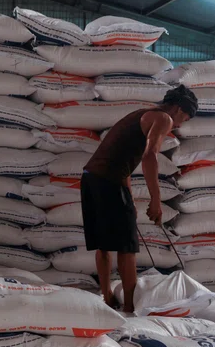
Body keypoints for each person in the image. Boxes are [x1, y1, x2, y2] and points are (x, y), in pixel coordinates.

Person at [81, 84, 198, 313]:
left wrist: (130, 196)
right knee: (127, 246)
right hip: (109, 181)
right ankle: (130, 306)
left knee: (103, 245)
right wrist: (156, 199)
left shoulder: (140, 115)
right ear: (176, 108)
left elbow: (121, 157)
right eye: (185, 115)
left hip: (91, 178)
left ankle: (106, 297)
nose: (182, 122)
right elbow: (150, 156)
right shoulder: (164, 118)